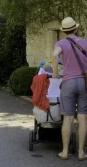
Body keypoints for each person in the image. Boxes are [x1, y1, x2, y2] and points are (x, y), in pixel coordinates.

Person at [52, 17, 87, 161]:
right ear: (76, 29)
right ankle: (80, 152)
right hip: (83, 82)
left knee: (67, 117)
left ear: (64, 31)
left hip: (68, 82)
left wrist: (55, 73)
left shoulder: (61, 43)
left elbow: (54, 55)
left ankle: (65, 151)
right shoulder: (84, 42)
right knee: (83, 117)